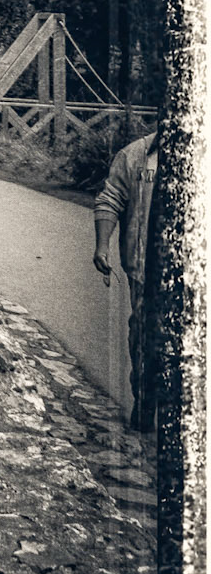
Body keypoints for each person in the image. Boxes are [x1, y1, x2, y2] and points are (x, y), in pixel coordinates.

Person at [93, 125, 159, 431]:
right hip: (147, 271)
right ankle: (145, 401)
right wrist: (102, 245)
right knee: (146, 339)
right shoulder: (135, 155)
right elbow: (111, 198)